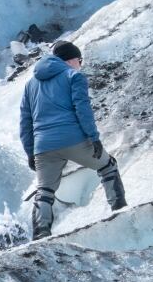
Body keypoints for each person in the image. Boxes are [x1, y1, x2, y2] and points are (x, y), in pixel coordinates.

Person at [19, 40, 126, 239]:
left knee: (44, 191)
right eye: (80, 60)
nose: (80, 64)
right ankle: (120, 211)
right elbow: (82, 108)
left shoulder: (30, 85)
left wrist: (30, 151)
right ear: (72, 60)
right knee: (108, 166)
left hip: (43, 146)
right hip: (74, 139)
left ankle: (40, 235)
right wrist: (94, 138)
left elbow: (25, 122)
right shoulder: (73, 76)